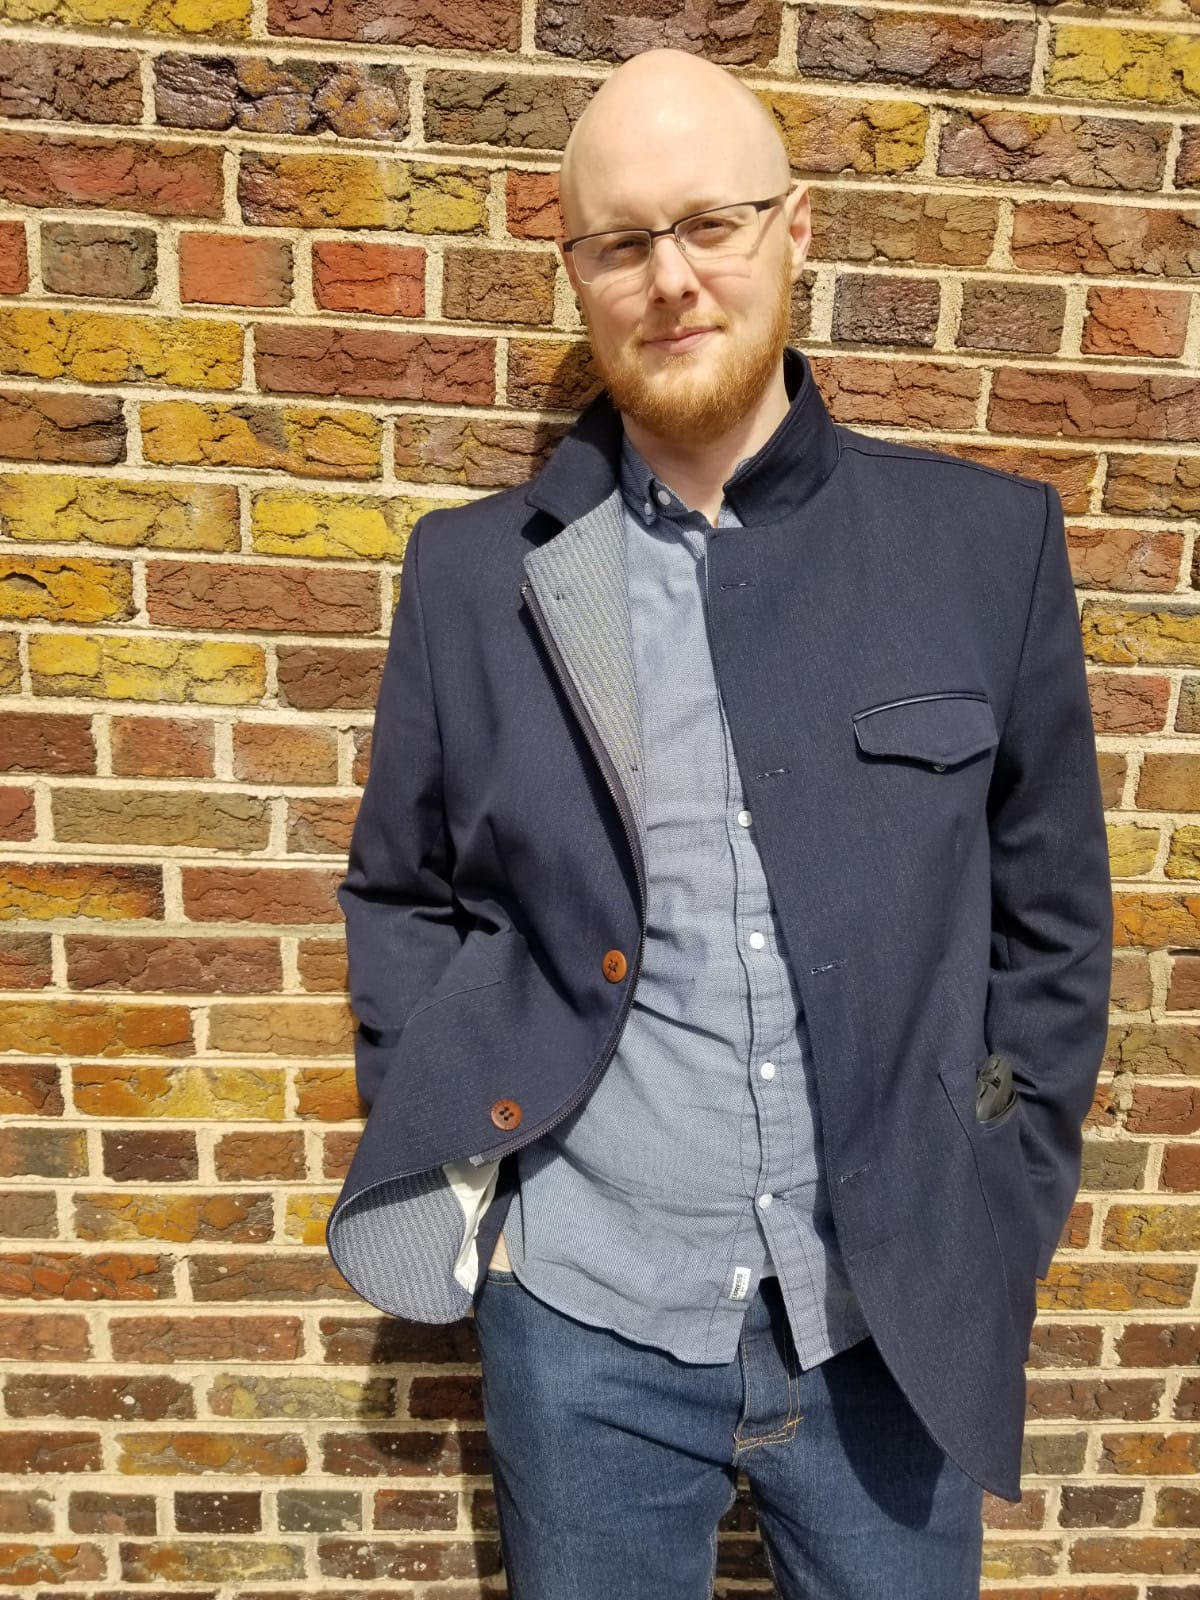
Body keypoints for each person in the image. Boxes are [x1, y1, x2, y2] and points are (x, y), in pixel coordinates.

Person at [326, 46, 1113, 1600]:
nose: (672, 278)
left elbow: (1055, 925)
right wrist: (483, 1174)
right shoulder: (477, 576)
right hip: (585, 1323)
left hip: (891, 1321)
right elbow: (402, 892)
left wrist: (997, 1191)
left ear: (793, 228)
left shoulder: (981, 547)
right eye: (623, 242)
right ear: (577, 274)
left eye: (710, 224)